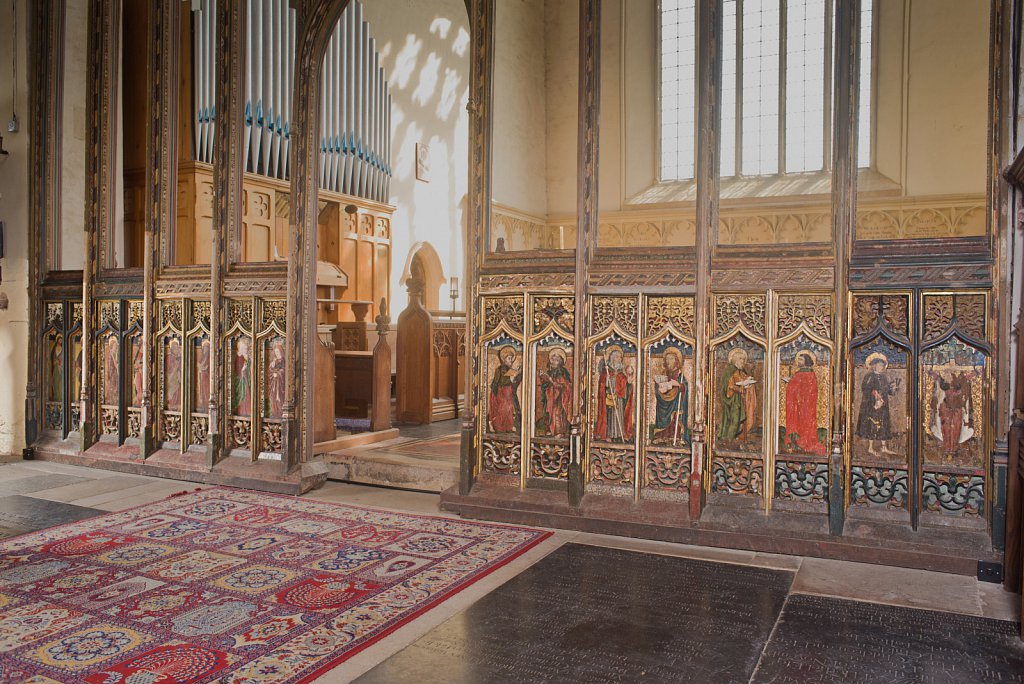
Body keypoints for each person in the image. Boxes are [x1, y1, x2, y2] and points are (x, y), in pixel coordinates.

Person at [781, 350, 828, 455]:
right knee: (797, 421)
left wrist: (791, 382)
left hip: (806, 406)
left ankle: (805, 442)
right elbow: (796, 386)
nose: (798, 361)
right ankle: (796, 441)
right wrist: (792, 382)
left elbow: (809, 390)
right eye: (798, 359)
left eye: (801, 359)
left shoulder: (809, 373)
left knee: (805, 423)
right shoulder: (799, 373)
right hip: (798, 405)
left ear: (806, 361)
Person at [855, 352, 898, 456]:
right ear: (874, 366)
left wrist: (893, 389)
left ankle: (884, 447)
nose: (881, 367)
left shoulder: (884, 377)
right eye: (879, 365)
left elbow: (889, 391)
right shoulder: (869, 376)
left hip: (883, 405)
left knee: (884, 424)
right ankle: (870, 448)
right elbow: (865, 389)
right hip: (872, 405)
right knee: (872, 424)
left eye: (882, 365)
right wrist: (875, 395)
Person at [595, 346, 634, 443]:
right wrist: (608, 380)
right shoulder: (606, 371)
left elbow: (626, 386)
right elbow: (602, 385)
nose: (619, 359)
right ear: (612, 358)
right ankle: (609, 434)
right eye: (617, 357)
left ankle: (620, 433)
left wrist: (628, 383)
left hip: (619, 399)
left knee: (619, 415)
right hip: (609, 397)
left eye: (620, 357)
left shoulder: (621, 373)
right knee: (609, 415)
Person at [718, 347, 757, 443]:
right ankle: (729, 439)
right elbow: (730, 385)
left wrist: (747, 379)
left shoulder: (739, 370)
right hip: (732, 400)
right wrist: (740, 388)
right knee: (734, 420)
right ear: (735, 360)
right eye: (741, 359)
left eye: (744, 360)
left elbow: (742, 378)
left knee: (737, 420)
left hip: (738, 400)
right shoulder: (730, 371)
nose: (743, 362)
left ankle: (734, 438)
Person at [652, 347, 689, 446]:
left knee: (675, 418)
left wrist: (678, 385)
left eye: (671, 359)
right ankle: (661, 437)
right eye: (667, 359)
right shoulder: (664, 373)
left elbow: (684, 387)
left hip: (675, 402)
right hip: (663, 403)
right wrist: (660, 387)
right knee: (662, 417)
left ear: (676, 361)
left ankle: (675, 437)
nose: (669, 361)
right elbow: (657, 387)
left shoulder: (679, 375)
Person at [537, 348, 572, 437]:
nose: (553, 362)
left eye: (556, 360)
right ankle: (550, 430)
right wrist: (543, 377)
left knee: (557, 414)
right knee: (548, 413)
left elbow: (563, 386)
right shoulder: (550, 371)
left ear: (560, 362)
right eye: (552, 359)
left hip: (559, 397)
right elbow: (546, 384)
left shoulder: (562, 372)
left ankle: (559, 432)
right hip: (550, 396)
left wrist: (551, 381)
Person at [488, 345, 522, 433]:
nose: (511, 360)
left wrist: (517, 374)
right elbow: (500, 381)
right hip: (500, 392)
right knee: (503, 408)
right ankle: (499, 426)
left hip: (508, 392)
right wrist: (511, 377)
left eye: (511, 358)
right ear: (504, 359)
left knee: (510, 408)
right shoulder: (499, 369)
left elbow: (513, 382)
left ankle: (509, 426)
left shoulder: (510, 369)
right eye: (509, 358)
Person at [267, 338, 286, 418]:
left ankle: (281, 413)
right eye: (275, 352)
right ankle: (275, 412)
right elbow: (270, 371)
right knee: (273, 398)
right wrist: (272, 365)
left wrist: (278, 374)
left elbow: (285, 371)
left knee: (280, 399)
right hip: (274, 385)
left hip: (281, 385)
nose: (277, 354)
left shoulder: (284, 361)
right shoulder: (274, 361)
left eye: (278, 352)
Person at [233, 337, 252, 416]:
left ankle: (247, 411)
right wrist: (243, 371)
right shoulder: (239, 358)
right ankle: (244, 411)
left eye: (247, 348)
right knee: (243, 398)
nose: (246, 350)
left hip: (245, 381)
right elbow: (237, 373)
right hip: (241, 383)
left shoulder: (245, 357)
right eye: (244, 348)